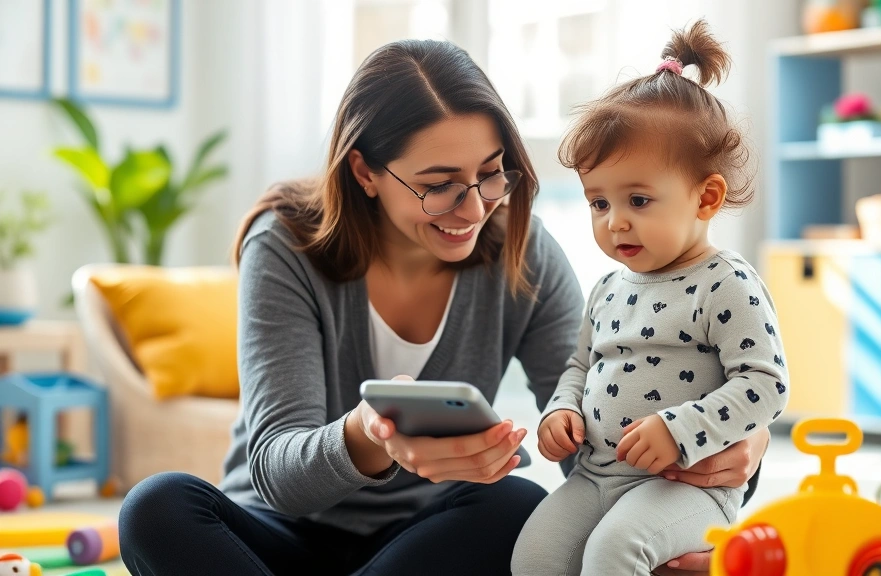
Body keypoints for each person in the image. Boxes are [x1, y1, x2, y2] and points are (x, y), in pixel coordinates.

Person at [117, 37, 770, 576]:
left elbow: (590, 439)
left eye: (491, 173)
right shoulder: (287, 244)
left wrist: (726, 450)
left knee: (517, 505)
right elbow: (278, 474)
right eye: (438, 186)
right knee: (156, 507)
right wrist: (369, 435)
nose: (476, 206)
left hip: (424, 544)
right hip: (273, 539)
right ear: (365, 172)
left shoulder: (523, 251)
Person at [511, 20, 790, 576]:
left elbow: (766, 385)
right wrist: (561, 408)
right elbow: (578, 366)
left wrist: (680, 429)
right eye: (598, 203)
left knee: (614, 553)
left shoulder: (726, 283)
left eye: (638, 199)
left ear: (706, 197)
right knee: (532, 557)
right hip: (595, 475)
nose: (615, 222)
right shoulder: (608, 287)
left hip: (683, 485)